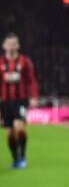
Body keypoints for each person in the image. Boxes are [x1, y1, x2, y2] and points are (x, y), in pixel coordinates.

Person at [0, 32, 38, 169]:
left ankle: (22, 156)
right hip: (4, 102)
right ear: (4, 46)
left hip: (20, 100)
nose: (12, 46)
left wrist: (33, 97)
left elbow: (31, 80)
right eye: (9, 44)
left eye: (15, 44)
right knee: (9, 133)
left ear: (18, 45)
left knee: (18, 126)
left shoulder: (24, 61)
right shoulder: (0, 62)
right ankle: (15, 159)